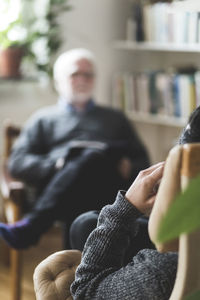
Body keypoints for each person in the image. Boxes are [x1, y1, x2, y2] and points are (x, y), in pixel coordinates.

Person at [0, 48, 150, 249]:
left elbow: (143, 161)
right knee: (86, 162)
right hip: (59, 192)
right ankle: (85, 273)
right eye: (74, 74)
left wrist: (128, 166)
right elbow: (17, 163)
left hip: (107, 188)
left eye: (88, 75)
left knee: (93, 158)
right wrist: (57, 164)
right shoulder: (43, 119)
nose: (82, 80)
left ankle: (32, 227)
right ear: (58, 81)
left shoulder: (115, 118)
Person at [70, 105, 200, 299]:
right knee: (86, 223)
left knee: (86, 222)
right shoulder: (46, 121)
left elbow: (85, 292)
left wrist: (125, 208)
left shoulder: (165, 271)